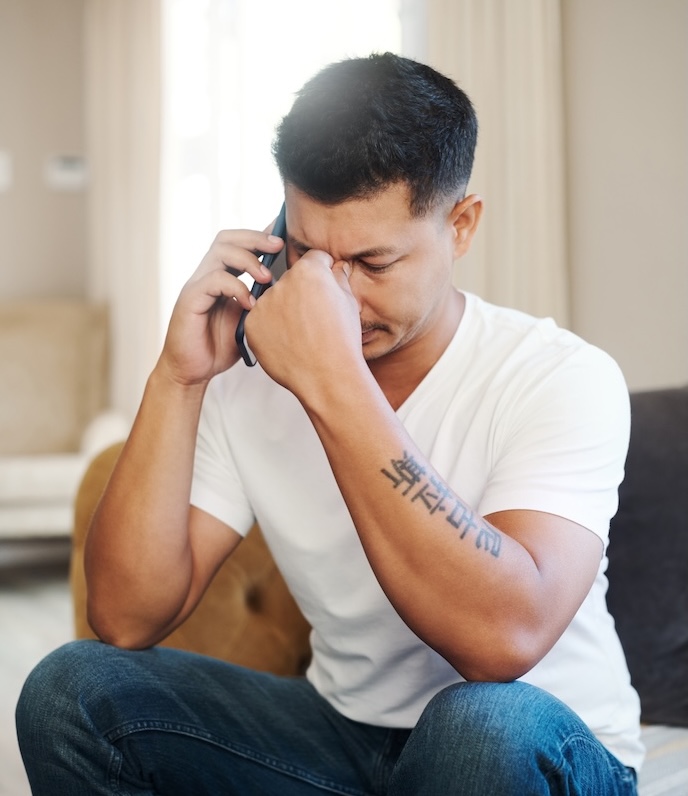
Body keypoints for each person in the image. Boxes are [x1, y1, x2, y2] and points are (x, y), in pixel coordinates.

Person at [16, 52, 643, 795]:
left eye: (373, 262)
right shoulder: (244, 379)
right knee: (72, 690)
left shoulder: (560, 375)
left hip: (534, 748)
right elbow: (123, 618)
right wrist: (178, 376)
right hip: (342, 738)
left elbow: (504, 640)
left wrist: (332, 379)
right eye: (310, 253)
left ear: (462, 226)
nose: (333, 295)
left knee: (479, 729)